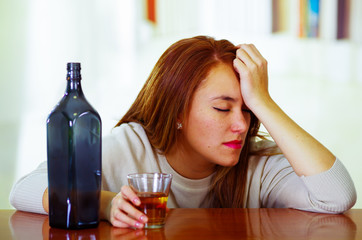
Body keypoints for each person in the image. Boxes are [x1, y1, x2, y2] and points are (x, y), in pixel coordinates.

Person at [10, 36, 356, 229]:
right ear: (177, 111)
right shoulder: (132, 147)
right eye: (223, 108)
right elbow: (23, 190)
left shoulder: (257, 165)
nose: (242, 124)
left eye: (248, 111)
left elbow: (336, 196)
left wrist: (265, 103)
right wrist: (103, 203)